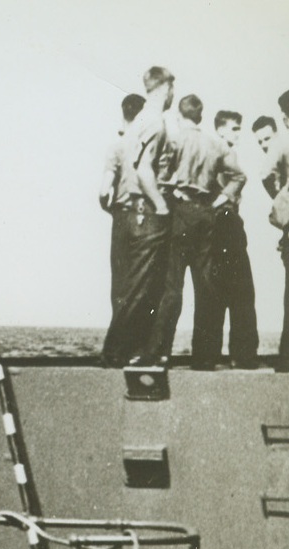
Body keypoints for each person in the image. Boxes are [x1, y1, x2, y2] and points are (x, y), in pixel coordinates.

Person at [147, 94, 245, 368]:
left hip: (181, 213)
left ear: (180, 116)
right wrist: (218, 201)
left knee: (172, 285)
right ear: (201, 117)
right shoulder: (215, 143)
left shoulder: (176, 140)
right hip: (207, 215)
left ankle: (158, 352)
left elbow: (162, 178)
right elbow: (239, 176)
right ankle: (205, 356)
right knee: (206, 285)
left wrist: (171, 192)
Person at [101, 68, 175, 367]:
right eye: (172, 88)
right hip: (147, 212)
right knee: (143, 289)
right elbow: (145, 170)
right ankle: (116, 352)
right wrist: (161, 205)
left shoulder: (136, 123)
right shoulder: (156, 123)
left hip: (131, 212)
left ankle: (125, 351)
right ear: (166, 87)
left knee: (132, 286)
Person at [99, 94, 147, 367]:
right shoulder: (152, 147)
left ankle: (116, 349)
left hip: (122, 217)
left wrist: (114, 210)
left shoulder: (116, 147)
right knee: (143, 285)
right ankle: (136, 347)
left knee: (120, 285)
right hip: (148, 217)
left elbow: (104, 191)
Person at [209, 110, 259, 368]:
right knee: (242, 292)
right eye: (235, 128)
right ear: (220, 129)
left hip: (220, 226)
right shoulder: (223, 154)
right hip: (227, 223)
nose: (239, 133)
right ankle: (243, 355)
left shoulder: (218, 152)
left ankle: (211, 354)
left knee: (219, 291)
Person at [261, 91, 289, 370]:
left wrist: (281, 201)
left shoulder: (282, 145)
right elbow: (266, 175)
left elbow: (267, 176)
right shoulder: (282, 145)